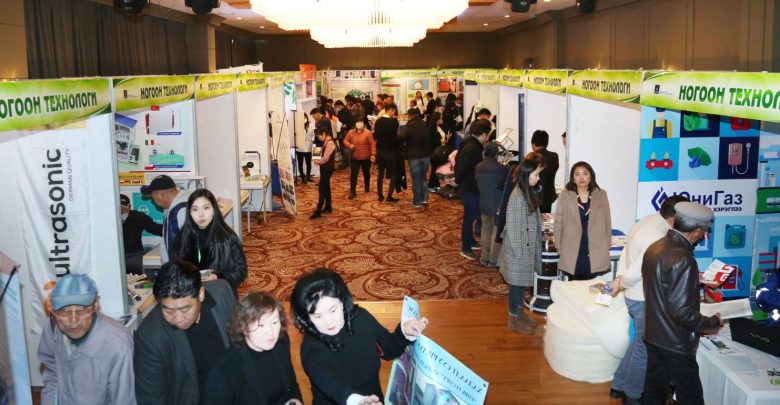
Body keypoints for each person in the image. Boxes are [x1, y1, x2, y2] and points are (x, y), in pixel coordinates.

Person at [291, 268, 429, 405]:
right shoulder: (311, 348)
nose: (328, 321)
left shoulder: (361, 318)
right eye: (318, 316)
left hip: (373, 400)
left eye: (332, 310)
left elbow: (388, 350)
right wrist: (354, 400)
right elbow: (329, 383)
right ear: (306, 318)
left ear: (343, 301)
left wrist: (404, 332)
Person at [607, 195, 690, 404]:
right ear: (674, 217)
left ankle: (619, 385)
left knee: (638, 344)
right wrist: (622, 282)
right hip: (642, 297)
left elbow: (626, 252)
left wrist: (620, 279)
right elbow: (637, 271)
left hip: (635, 295)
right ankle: (633, 395)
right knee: (644, 349)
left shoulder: (647, 221)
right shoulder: (658, 236)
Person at [642, 202, 722, 405]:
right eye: (704, 231)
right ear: (696, 230)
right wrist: (713, 322)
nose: (704, 235)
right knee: (690, 396)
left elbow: (661, 291)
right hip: (675, 342)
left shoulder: (655, 247)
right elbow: (681, 312)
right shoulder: (683, 259)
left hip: (654, 334)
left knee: (654, 391)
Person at [134, 260, 236, 405]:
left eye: (185, 309)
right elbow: (151, 399)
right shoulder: (150, 337)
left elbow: (242, 347)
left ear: (200, 294)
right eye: (168, 310)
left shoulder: (222, 292)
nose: (178, 318)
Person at [38, 274, 135, 405]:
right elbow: (51, 372)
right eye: (65, 310)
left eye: (82, 310)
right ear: (54, 312)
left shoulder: (117, 344)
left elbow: (123, 400)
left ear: (95, 305)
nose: (73, 320)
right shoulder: (52, 327)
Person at [203, 292, 303, 405]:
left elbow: (291, 385)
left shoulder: (281, 342)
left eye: (275, 322)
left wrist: (295, 399)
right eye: (261, 325)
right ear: (243, 326)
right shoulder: (223, 372)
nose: (270, 332)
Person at [498, 153, 546, 334]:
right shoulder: (518, 196)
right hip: (518, 251)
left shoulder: (526, 191)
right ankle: (513, 317)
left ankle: (519, 312)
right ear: (527, 174)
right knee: (516, 287)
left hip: (525, 249)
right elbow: (513, 227)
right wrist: (521, 256)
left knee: (521, 286)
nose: (538, 178)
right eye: (536, 174)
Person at [172, 189, 247, 292]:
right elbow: (176, 270)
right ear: (189, 213)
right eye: (195, 209)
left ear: (214, 210)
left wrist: (218, 277)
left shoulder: (227, 238)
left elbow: (241, 272)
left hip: (219, 293)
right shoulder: (182, 238)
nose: (201, 214)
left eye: (206, 208)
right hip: (192, 293)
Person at [553, 162, 611, 280]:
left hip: (595, 246)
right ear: (573, 178)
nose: (581, 177)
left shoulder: (601, 194)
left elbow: (607, 220)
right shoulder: (566, 194)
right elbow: (558, 222)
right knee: (574, 283)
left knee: (591, 284)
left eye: (585, 173)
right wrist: (558, 245)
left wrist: (607, 243)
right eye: (577, 174)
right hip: (572, 246)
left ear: (591, 176)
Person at [454, 119, 492, 260]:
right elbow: (465, 167)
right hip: (470, 186)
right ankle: (465, 248)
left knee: (471, 215)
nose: (488, 138)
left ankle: (470, 241)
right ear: (483, 135)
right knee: (469, 218)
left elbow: (459, 161)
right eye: (488, 135)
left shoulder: (468, 142)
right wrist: (457, 180)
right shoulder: (474, 149)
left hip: (468, 185)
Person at [141, 174, 190, 264]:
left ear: (161, 195)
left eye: (152, 197)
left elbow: (185, 247)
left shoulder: (180, 211)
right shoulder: (178, 207)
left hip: (181, 268)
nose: (153, 201)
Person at [475, 142, 509, 267]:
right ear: (496, 154)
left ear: (484, 153)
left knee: (485, 230)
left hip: (483, 203)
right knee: (496, 231)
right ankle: (493, 260)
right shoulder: (502, 169)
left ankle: (484, 257)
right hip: (497, 205)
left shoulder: (478, 167)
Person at [120, 193, 162, 274]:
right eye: (118, 210)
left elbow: (156, 229)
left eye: (123, 210)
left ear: (129, 207)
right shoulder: (108, 219)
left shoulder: (138, 217)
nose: (121, 213)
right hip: (115, 257)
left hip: (134, 256)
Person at [399, 108, 431, 207]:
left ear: (409, 115)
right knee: (423, 178)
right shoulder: (424, 123)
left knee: (416, 179)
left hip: (414, 156)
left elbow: (400, 137)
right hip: (426, 155)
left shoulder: (409, 126)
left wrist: (404, 148)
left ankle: (416, 202)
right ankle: (424, 199)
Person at [343, 119, 376, 199]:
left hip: (366, 157)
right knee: (353, 174)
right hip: (355, 157)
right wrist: (349, 145)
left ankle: (367, 186)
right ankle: (352, 191)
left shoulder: (368, 132)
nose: (359, 124)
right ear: (355, 124)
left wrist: (373, 154)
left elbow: (372, 144)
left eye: (361, 122)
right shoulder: (351, 132)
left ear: (363, 124)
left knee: (366, 172)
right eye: (358, 122)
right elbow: (345, 141)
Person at [374, 104, 400, 203]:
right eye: (394, 111)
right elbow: (394, 138)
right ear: (392, 110)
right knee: (393, 173)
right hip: (390, 151)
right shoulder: (393, 122)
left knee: (380, 173)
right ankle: (389, 196)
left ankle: (380, 195)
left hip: (379, 151)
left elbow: (375, 136)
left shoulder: (378, 121)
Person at [530, 130, 560, 214]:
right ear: (546, 143)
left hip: (535, 196)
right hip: (549, 195)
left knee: (534, 220)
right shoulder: (554, 156)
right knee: (546, 218)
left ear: (533, 144)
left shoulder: (532, 157)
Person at [310, 128, 337, 219]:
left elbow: (326, 158)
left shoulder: (330, 143)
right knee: (326, 187)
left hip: (327, 168)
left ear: (324, 133)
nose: (319, 138)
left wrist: (318, 161)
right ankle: (328, 207)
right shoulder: (325, 141)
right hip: (325, 167)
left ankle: (318, 210)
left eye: (319, 136)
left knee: (322, 188)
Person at [427, 111, 448, 192]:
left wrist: (445, 138)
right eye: (440, 118)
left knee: (437, 168)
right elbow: (430, 140)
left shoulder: (438, 127)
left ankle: (436, 184)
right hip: (434, 151)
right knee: (434, 169)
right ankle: (431, 185)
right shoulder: (431, 128)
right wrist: (440, 141)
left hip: (439, 150)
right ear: (436, 119)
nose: (442, 120)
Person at [296, 112, 315, 184]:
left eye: (305, 117)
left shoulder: (310, 124)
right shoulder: (297, 126)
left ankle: (308, 176)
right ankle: (302, 176)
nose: (304, 119)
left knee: (308, 163)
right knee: (300, 163)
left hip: (308, 146)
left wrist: (312, 140)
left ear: (307, 117)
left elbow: (313, 134)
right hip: (299, 147)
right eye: (302, 118)